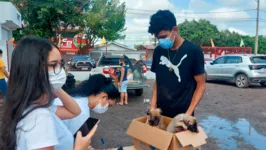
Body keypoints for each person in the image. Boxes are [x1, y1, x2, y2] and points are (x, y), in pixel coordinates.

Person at [0, 37, 97, 150]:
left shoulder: (33, 106)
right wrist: (79, 148)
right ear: (32, 70)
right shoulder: (39, 117)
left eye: (61, 64)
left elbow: (74, 111)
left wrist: (55, 85)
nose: (60, 70)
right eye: (53, 65)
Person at [148, 10, 206, 118]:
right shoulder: (158, 51)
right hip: (160, 114)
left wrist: (188, 113)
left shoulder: (194, 51)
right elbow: (158, 81)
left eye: (163, 36)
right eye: (158, 38)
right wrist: (153, 106)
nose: (160, 41)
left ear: (175, 30)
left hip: (182, 115)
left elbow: (201, 85)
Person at [53, 74, 119, 136]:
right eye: (109, 105)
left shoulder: (76, 98)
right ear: (104, 97)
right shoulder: (80, 109)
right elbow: (75, 141)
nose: (106, 108)